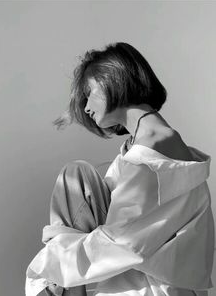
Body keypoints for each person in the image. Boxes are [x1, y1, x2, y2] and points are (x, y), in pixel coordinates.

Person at [25, 42, 215, 296]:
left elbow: (121, 242)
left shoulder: (151, 152)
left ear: (111, 81)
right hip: (139, 270)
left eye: (89, 92)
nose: (86, 107)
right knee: (76, 174)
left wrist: (48, 266)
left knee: (74, 177)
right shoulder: (145, 144)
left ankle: (63, 288)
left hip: (150, 286)